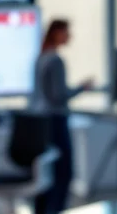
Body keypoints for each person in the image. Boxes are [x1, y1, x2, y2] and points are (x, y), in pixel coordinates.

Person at [30, 18, 93, 214]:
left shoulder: (41, 57)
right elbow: (58, 96)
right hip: (55, 120)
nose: (69, 36)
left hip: (40, 121)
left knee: (45, 173)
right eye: (66, 31)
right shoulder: (55, 60)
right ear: (56, 32)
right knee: (63, 172)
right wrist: (82, 88)